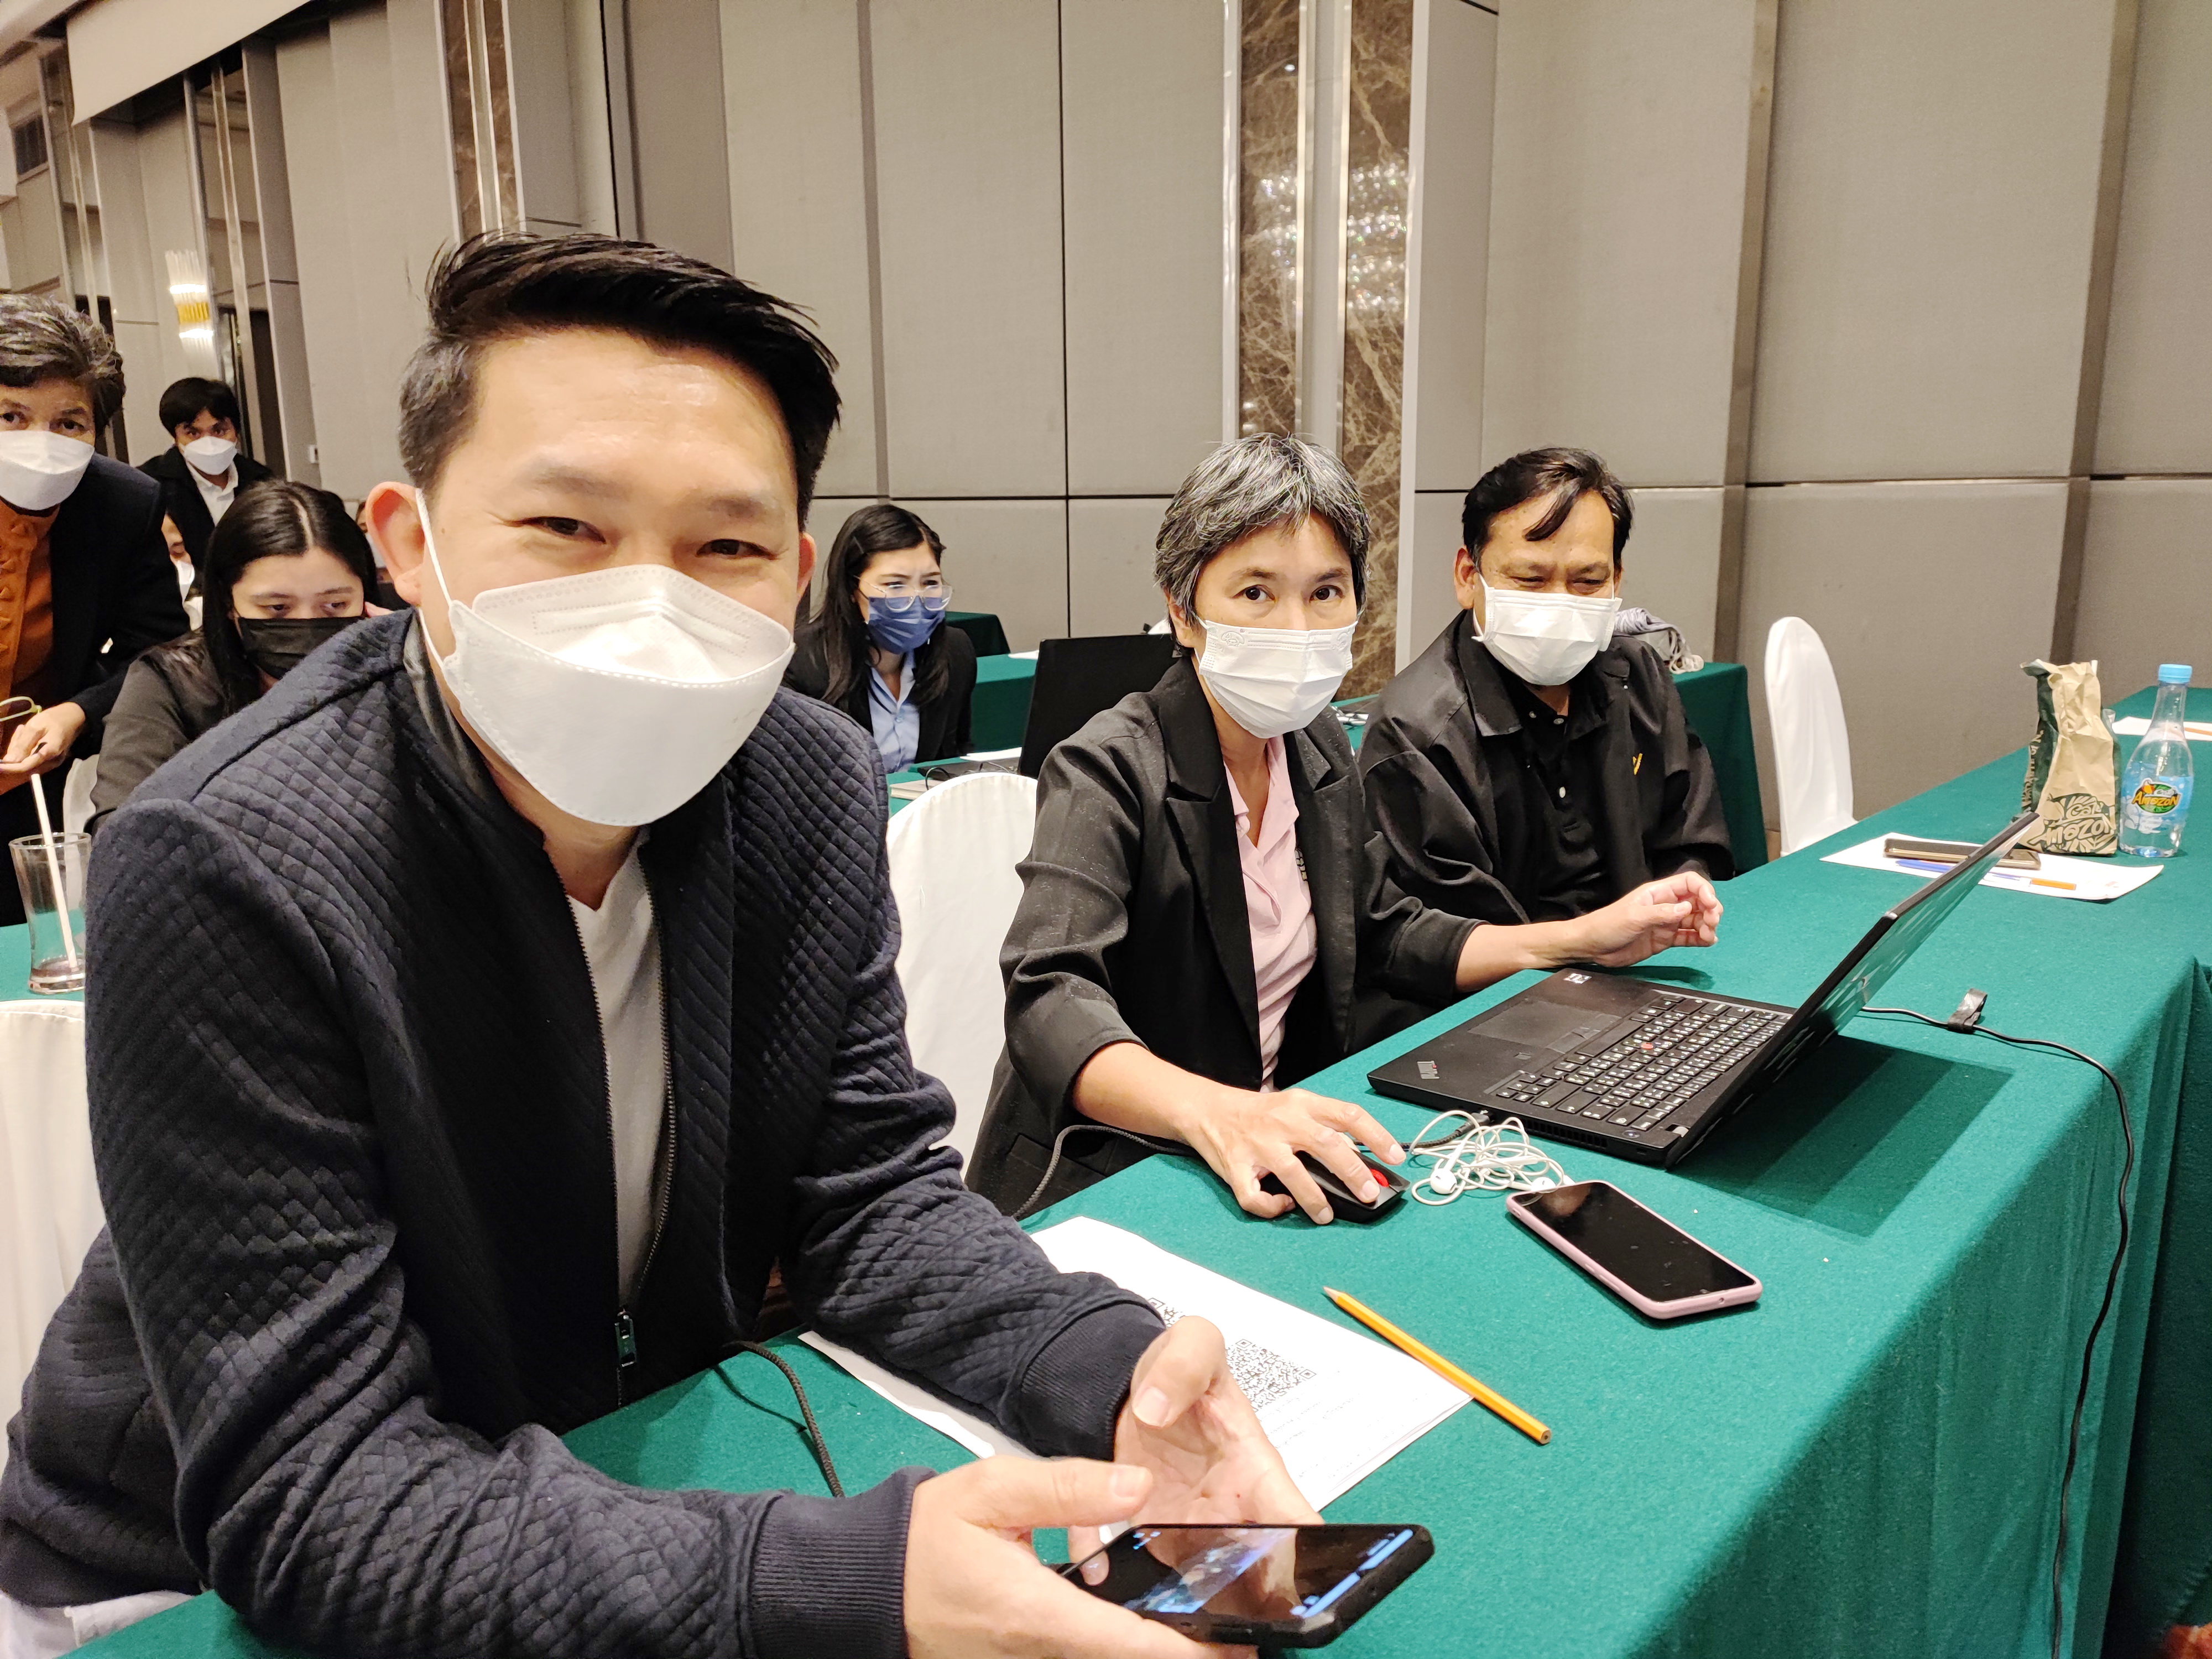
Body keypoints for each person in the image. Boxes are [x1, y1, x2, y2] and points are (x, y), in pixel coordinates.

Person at [0, 233, 1310, 1659]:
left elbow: (868, 1195)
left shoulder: (805, 783)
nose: (648, 602)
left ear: (795, 574)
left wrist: (1108, 1371)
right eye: (565, 528)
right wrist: (851, 1579)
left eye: (724, 547)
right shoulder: (226, 858)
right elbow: (316, 1497)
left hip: (597, 1461)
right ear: (407, 543)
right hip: (173, 1583)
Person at [966, 436, 1723, 1220]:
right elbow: (1050, 998)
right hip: (1109, 1172)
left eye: (1326, 592)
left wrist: (1578, 940)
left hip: (1277, 1149)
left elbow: (1389, 930)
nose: (1296, 626)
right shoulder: (1108, 767)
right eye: (1255, 593)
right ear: (1183, 611)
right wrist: (1223, 1113)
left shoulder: (1317, 745)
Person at [1358, 446, 1734, 927]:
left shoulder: (1638, 676)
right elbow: (1436, 934)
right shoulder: (1417, 731)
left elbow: (1690, 833)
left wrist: (1682, 893)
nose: (1559, 604)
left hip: (1645, 952)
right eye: (1530, 579)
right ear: (1469, 577)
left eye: (1588, 581)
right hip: (1507, 969)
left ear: (1617, 581)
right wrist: (1589, 941)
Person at [0, 296, 187, 924]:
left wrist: (77, 712)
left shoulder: (122, 504)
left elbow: (161, 650)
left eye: (69, 423)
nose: (39, 443)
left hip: (29, 781)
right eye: (11, 416)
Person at [89, 480, 375, 831]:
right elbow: (124, 831)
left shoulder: (394, 674)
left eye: (335, 605)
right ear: (228, 602)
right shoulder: (168, 683)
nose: (306, 624)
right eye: (277, 608)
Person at [784, 503, 976, 772]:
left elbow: (954, 757)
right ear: (852, 589)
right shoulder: (802, 663)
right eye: (895, 585)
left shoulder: (956, 652)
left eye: (930, 583)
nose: (916, 600)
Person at [137, 377, 275, 566]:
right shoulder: (149, 488)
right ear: (175, 437)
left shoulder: (263, 482)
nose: (208, 442)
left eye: (219, 431)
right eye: (193, 433)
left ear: (236, 431)